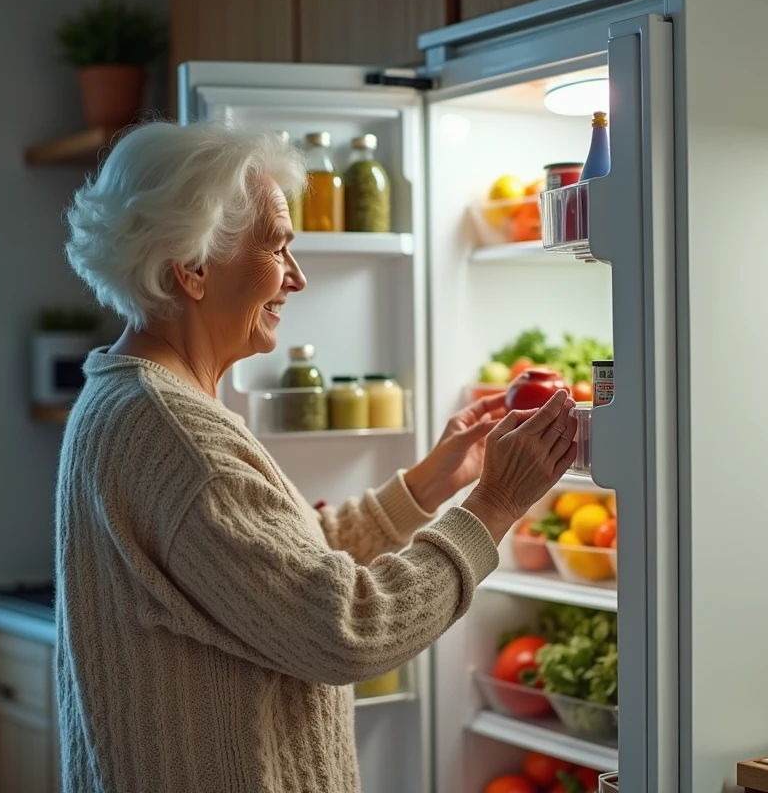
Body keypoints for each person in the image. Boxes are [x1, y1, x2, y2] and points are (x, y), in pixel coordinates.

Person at [55, 120, 578, 793]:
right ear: (192, 266)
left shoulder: (131, 400)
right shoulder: (177, 437)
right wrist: (495, 506)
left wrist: (422, 489)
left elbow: (270, 569)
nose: (297, 277)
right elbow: (347, 630)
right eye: (277, 246)